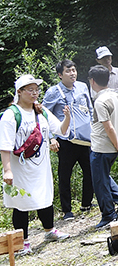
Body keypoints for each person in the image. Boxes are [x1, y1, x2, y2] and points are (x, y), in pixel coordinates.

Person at [1, 75, 72, 252]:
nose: (34, 93)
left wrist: (68, 117)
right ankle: (23, 241)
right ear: (19, 92)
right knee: (21, 202)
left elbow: (61, 130)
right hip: (20, 168)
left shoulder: (41, 111)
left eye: (36, 89)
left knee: (44, 196)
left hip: (41, 165)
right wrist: (7, 170)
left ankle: (49, 230)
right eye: (30, 90)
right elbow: (5, 145)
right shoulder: (11, 115)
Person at [42, 60, 95, 220]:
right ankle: (67, 210)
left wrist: (92, 128)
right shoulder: (53, 92)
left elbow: (90, 109)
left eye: (74, 70)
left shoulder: (82, 86)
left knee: (90, 170)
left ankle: (87, 203)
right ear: (60, 74)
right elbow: (43, 115)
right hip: (65, 141)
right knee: (65, 175)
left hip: (85, 139)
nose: (72, 73)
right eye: (68, 71)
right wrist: (51, 138)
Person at [87, 65, 118, 229]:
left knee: (100, 183)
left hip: (101, 148)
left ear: (92, 81)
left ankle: (109, 215)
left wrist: (116, 143)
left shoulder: (100, 101)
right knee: (104, 177)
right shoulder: (116, 96)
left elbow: (108, 127)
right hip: (113, 146)